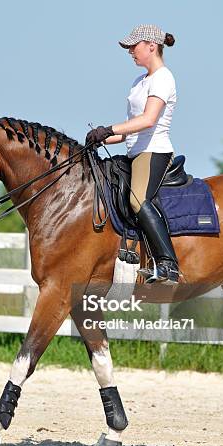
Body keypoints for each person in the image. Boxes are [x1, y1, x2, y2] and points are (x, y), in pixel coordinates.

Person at [85, 24, 178, 284]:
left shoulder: (163, 78)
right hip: (134, 151)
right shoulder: (140, 82)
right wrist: (100, 137)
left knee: (138, 201)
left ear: (151, 45)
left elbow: (148, 120)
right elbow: (128, 132)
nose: (130, 52)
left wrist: (109, 129)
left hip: (154, 151)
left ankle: (168, 265)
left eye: (133, 46)